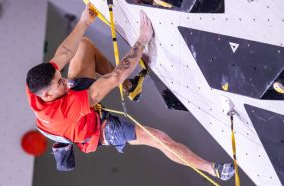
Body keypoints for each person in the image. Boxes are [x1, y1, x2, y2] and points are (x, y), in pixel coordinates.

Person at [26, 4, 234, 181]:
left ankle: (132, 88)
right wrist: (142, 40)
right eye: (59, 82)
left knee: (83, 46)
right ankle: (212, 169)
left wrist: (84, 22)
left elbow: (63, 53)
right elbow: (116, 76)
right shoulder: (66, 109)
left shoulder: (35, 84)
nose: (65, 80)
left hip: (67, 108)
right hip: (94, 130)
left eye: (59, 75)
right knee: (158, 138)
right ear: (47, 95)